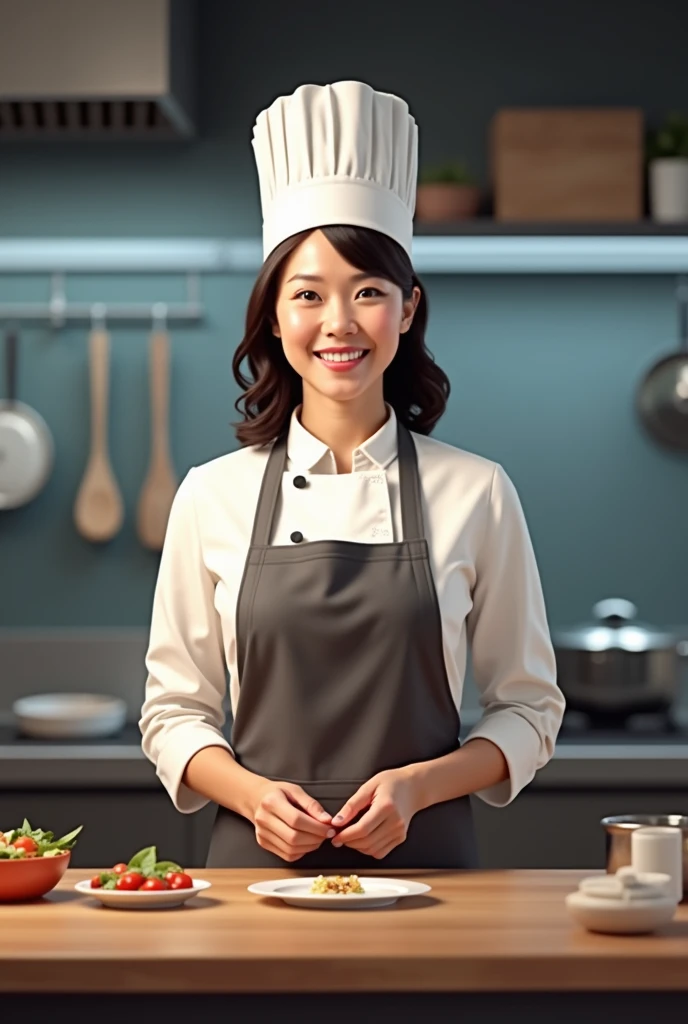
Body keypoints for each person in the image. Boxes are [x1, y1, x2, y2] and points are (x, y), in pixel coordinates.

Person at [139, 80, 565, 870]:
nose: (339, 323)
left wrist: (420, 786)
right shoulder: (210, 494)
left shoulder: (477, 492)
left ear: (407, 309)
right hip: (252, 885)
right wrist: (250, 794)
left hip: (432, 878)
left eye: (368, 292)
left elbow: (529, 711)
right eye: (308, 295)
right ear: (273, 314)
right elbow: (174, 713)